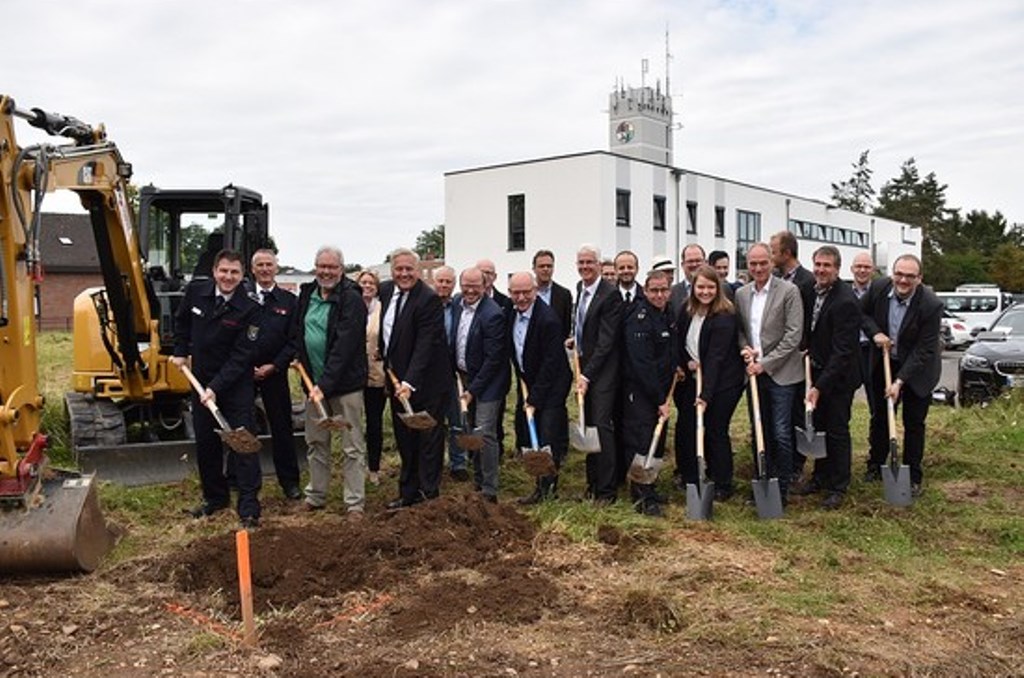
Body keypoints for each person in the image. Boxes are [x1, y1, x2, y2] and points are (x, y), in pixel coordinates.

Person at [172, 249, 262, 528]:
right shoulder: (196, 292)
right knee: (207, 443)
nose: (228, 277)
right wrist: (180, 351)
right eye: (224, 271)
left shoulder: (250, 309)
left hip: (235, 386)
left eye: (234, 272)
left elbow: (241, 357)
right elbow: (182, 323)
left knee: (242, 444)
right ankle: (215, 498)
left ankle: (248, 507)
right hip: (200, 381)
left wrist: (216, 387)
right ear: (214, 271)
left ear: (242, 275)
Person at [293, 246, 368, 519]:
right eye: (321, 266)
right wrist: (298, 359)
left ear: (341, 269)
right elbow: (298, 331)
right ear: (315, 267)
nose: (326, 272)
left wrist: (324, 384)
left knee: (351, 444)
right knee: (316, 441)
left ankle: (354, 502)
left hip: (344, 385)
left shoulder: (351, 299)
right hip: (312, 384)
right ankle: (316, 494)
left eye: (332, 267)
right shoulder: (306, 294)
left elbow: (344, 347)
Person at [860, 254, 942, 496]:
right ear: (892, 273)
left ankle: (912, 475)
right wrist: (875, 333)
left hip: (919, 370)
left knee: (914, 423)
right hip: (885, 362)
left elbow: (924, 349)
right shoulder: (878, 288)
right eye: (899, 274)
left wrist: (899, 381)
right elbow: (860, 314)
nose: (903, 280)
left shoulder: (930, 304)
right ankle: (875, 465)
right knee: (881, 417)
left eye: (910, 276)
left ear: (920, 278)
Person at [380, 248, 452, 508]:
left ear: (419, 271)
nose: (404, 273)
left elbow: (426, 344)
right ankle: (407, 493)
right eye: (399, 269)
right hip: (397, 382)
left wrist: (410, 382)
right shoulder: (386, 292)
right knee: (405, 439)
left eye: (409, 269)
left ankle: (427, 497)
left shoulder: (428, 299)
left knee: (428, 441)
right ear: (392, 271)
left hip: (427, 383)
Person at [735, 242, 804, 503]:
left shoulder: (789, 291)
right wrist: (745, 350)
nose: (758, 268)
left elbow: (793, 335)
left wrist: (766, 363)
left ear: (772, 263)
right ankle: (763, 481)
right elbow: (741, 330)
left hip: (781, 373)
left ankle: (782, 488)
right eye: (753, 263)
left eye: (763, 263)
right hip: (754, 374)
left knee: (781, 431)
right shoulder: (742, 294)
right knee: (759, 430)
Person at [794, 246, 861, 509]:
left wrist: (820, 387)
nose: (821, 270)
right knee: (818, 427)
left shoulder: (846, 301)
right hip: (816, 369)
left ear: (837, 269)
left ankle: (838, 486)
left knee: (836, 430)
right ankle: (819, 477)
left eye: (827, 266)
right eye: (818, 265)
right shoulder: (809, 290)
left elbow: (843, 351)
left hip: (839, 377)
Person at [675, 264, 745, 501]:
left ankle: (722, 482)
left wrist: (705, 395)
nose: (705, 292)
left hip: (723, 383)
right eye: (700, 287)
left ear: (718, 288)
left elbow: (715, 358)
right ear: (693, 288)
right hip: (694, 379)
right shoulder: (686, 311)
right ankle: (690, 478)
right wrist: (687, 362)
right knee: (687, 428)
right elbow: (679, 343)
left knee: (715, 430)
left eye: (710, 287)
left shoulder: (725, 316)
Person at [508, 271, 572, 505]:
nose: (522, 297)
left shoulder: (548, 320)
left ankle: (548, 490)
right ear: (510, 294)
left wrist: (534, 398)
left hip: (552, 385)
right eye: (517, 293)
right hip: (530, 381)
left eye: (526, 292)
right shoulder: (511, 315)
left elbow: (551, 363)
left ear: (535, 291)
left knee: (547, 437)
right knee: (529, 435)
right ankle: (539, 485)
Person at [450, 267, 509, 502]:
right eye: (466, 285)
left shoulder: (492, 314)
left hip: (489, 382)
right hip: (464, 376)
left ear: (485, 286)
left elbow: (494, 360)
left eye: (475, 285)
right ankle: (477, 479)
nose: (470, 290)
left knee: (485, 433)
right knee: (469, 427)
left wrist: (472, 391)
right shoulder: (456, 303)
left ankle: (489, 489)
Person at [621, 269, 676, 516]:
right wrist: (659, 400)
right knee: (643, 441)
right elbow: (642, 365)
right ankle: (641, 496)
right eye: (654, 290)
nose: (659, 295)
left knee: (658, 440)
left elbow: (667, 350)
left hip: (661, 390)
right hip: (641, 392)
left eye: (663, 290)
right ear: (645, 291)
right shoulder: (639, 318)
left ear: (670, 290)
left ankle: (650, 487)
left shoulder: (667, 313)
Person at [570, 244, 622, 504]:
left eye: (589, 262)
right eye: (581, 263)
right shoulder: (581, 289)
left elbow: (606, 342)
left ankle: (607, 491)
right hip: (585, 368)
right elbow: (583, 327)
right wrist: (574, 340)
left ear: (599, 265)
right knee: (587, 426)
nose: (585, 267)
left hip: (603, 373)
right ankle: (591, 485)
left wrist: (587, 375)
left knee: (601, 429)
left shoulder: (610, 295)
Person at [249, 249, 301, 500]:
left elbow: (293, 341)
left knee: (282, 428)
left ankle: (290, 482)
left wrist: (275, 365)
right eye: (260, 265)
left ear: (276, 268)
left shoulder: (288, 301)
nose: (265, 269)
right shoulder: (242, 297)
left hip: (275, 373)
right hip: (244, 374)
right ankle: (240, 479)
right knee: (243, 428)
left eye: (269, 264)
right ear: (253, 269)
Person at [770, 229, 815, 483]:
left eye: (774, 251)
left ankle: (796, 465)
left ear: (786, 253)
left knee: (797, 412)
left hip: (798, 357)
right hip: (776, 359)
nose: (771, 254)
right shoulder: (776, 278)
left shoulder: (806, 282)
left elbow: (805, 321)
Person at [433, 265, 469, 482]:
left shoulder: (458, 306)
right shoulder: (427, 304)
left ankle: (458, 462)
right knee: (435, 420)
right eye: (441, 281)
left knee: (457, 419)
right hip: (431, 371)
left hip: (453, 371)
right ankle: (434, 461)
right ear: (434, 282)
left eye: (448, 282)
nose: (444, 285)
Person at [357, 269, 386, 487]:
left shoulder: (382, 309)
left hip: (377, 374)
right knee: (354, 422)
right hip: (354, 375)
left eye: (371, 283)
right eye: (363, 282)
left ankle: (374, 467)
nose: (367, 286)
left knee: (374, 422)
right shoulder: (350, 307)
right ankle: (355, 464)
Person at [850, 252, 878, 421]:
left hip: (871, 350)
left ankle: (876, 440)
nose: (862, 270)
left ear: (873, 270)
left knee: (875, 396)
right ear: (852, 269)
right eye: (859, 266)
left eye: (866, 267)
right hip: (851, 350)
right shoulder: (844, 292)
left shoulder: (880, 293)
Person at [532, 249, 573, 339]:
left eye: (549, 266)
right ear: (534, 269)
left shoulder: (564, 295)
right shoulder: (526, 293)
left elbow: (566, 327)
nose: (546, 269)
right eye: (541, 266)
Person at [669, 243, 707, 318]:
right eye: (690, 261)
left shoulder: (721, 289)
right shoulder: (672, 292)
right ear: (682, 265)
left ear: (705, 263)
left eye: (698, 260)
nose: (694, 264)